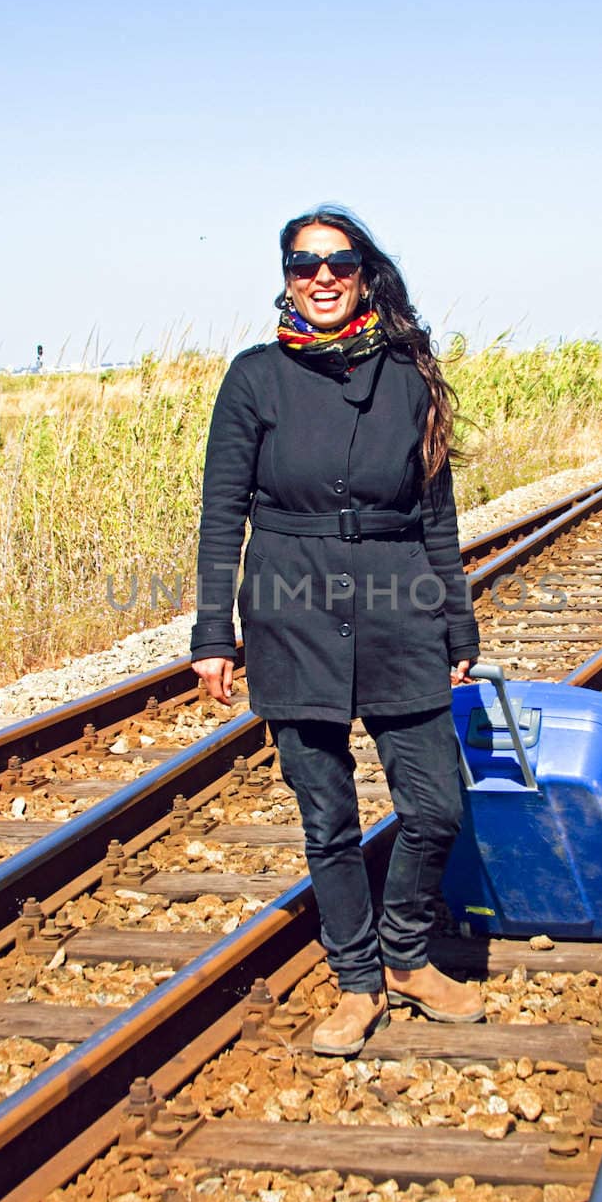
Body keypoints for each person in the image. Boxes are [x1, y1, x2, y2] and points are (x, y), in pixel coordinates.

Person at [191, 205, 484, 1055]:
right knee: (328, 819)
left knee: (435, 806)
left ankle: (404, 954)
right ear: (283, 276)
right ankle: (357, 980)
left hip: (400, 605)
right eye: (301, 264)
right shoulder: (253, 379)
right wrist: (215, 632)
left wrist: (457, 624)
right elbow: (221, 514)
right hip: (291, 608)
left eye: (338, 262)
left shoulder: (409, 375)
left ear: (365, 273)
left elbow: (437, 514)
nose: (320, 277)